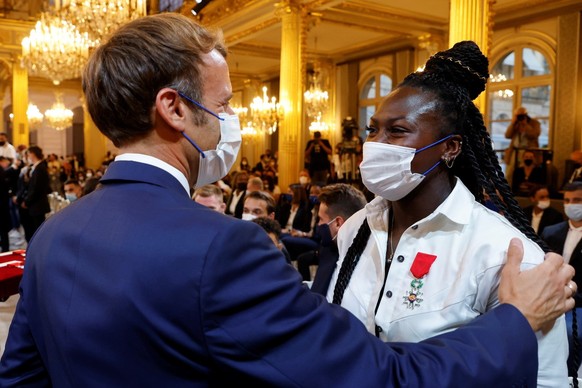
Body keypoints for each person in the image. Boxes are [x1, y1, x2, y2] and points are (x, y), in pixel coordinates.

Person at [0, 15, 576, 387]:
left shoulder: (55, 234)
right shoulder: (222, 248)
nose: (231, 123)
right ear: (175, 109)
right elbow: (376, 380)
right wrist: (516, 321)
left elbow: (22, 379)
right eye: (223, 106)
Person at [326, 41, 568, 386]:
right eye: (373, 129)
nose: (376, 144)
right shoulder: (356, 228)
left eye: (397, 131)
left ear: (450, 147)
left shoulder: (504, 253)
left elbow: (545, 378)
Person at [541, 181, 582, 377]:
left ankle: (568, 377)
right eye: (567, 200)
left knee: (570, 333)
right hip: (549, 296)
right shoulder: (551, 231)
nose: (571, 204)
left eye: (577, 200)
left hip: (579, 302)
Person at [298, 183, 367, 295]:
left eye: (321, 219)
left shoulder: (364, 265)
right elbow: (322, 286)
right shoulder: (329, 248)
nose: (319, 224)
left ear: (338, 223)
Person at [14, 146, 50, 242]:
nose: (28, 156)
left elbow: (36, 188)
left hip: (37, 205)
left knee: (37, 231)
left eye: (28, 154)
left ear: (33, 154)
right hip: (34, 205)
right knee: (32, 229)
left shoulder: (40, 168)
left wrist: (27, 202)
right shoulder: (35, 168)